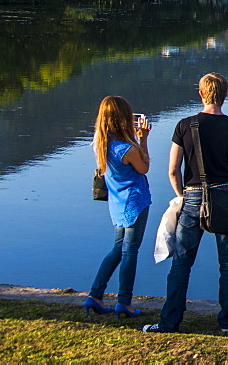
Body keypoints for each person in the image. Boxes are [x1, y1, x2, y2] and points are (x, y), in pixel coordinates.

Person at [143, 72, 228, 334]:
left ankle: (170, 322)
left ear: (201, 94)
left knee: (181, 262)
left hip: (193, 196)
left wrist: (182, 196)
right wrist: (223, 166)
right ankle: (227, 323)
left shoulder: (185, 125)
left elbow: (173, 170)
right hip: (225, 197)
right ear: (224, 96)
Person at [84, 96, 152, 318]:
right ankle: (124, 302)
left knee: (117, 249)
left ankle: (95, 295)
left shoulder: (100, 142)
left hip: (116, 203)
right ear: (121, 118)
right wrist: (143, 139)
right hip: (135, 202)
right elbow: (143, 168)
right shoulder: (126, 149)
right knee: (130, 251)